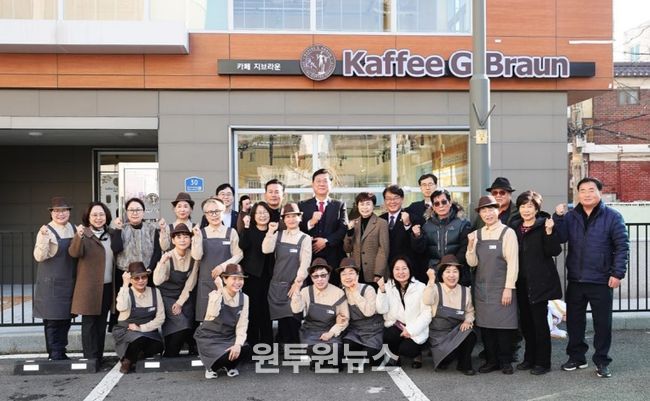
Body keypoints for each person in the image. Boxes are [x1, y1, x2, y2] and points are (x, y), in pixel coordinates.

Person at [554, 177, 629, 378]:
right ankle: (577, 357)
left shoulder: (612, 216)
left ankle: (602, 361)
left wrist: (617, 273)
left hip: (601, 279)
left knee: (602, 324)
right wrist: (558, 217)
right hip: (576, 279)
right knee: (574, 322)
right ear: (578, 194)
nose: (587, 194)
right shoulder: (571, 217)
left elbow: (622, 247)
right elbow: (560, 238)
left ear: (599, 192)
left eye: (591, 190)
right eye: (583, 190)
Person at [509, 190, 562, 375]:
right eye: (523, 206)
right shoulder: (515, 227)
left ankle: (543, 362)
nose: (526, 210)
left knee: (540, 324)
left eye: (530, 206)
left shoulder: (544, 225)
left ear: (537, 208)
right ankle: (529, 358)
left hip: (539, 282)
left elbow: (554, 251)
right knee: (526, 323)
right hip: (521, 282)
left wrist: (549, 232)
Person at [466, 195, 519, 374]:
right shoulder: (477, 234)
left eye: (491, 209)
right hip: (482, 287)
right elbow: (472, 263)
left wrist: (508, 288)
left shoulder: (507, 233)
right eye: (484, 210)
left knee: (504, 327)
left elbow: (513, 263)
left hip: (502, 287)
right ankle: (491, 361)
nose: (487, 214)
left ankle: (505, 361)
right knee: (486, 327)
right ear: (480, 214)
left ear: (498, 211)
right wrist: (470, 246)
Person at [69, 201, 124, 362]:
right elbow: (74, 252)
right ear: (88, 217)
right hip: (88, 287)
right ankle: (90, 359)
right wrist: (78, 237)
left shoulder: (111, 233)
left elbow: (119, 249)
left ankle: (98, 357)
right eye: (94, 215)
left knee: (101, 324)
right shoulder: (83, 233)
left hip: (107, 287)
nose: (98, 218)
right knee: (89, 324)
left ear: (106, 216)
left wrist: (119, 230)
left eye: (101, 214)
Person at [33, 197, 76, 360]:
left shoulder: (74, 228)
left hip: (68, 282)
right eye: (56, 211)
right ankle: (54, 353)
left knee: (65, 319)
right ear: (51, 213)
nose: (61, 214)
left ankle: (61, 351)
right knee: (52, 321)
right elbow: (39, 256)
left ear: (69, 212)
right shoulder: (46, 230)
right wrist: (44, 238)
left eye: (64, 210)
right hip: (50, 283)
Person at [262, 203, 311, 345]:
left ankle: (294, 348)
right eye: (287, 217)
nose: (291, 219)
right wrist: (270, 231)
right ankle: (283, 347)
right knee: (282, 319)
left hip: (294, 284)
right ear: (283, 219)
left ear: (300, 218)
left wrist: (298, 283)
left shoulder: (305, 238)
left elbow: (305, 263)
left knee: (294, 319)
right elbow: (266, 249)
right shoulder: (278, 235)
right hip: (277, 284)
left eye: (294, 216)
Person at [194, 264, 252, 379]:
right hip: (210, 338)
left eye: (240, 279)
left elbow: (242, 324)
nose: (238, 282)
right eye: (234, 278)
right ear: (225, 280)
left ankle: (229, 365)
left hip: (228, 337)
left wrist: (237, 344)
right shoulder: (215, 294)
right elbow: (212, 314)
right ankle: (212, 367)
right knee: (223, 356)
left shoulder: (244, 298)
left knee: (245, 350)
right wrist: (220, 290)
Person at [291, 258, 349, 370]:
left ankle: (335, 359)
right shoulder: (306, 291)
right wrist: (297, 290)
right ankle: (317, 359)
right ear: (311, 277)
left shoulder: (338, 293)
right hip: (311, 330)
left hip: (330, 329)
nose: (320, 279)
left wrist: (331, 333)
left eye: (323, 275)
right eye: (315, 276)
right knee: (313, 350)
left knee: (335, 350)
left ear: (329, 275)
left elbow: (344, 319)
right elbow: (296, 310)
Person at [422, 255, 476, 375]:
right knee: (446, 359)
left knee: (471, 334)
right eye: (447, 271)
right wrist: (431, 280)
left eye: (455, 271)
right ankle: (449, 355)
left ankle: (464, 364)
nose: (452, 275)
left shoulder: (466, 291)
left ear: (459, 274)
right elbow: (427, 300)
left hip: (457, 332)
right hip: (439, 336)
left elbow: (470, 311)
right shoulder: (435, 288)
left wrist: (468, 320)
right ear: (442, 274)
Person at [192, 197, 243, 323]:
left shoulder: (231, 232)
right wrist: (197, 238)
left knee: (229, 318)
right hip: (206, 283)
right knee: (208, 319)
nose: (214, 215)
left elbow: (239, 254)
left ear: (223, 211)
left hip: (228, 282)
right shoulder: (200, 233)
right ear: (205, 215)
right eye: (210, 212)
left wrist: (223, 267)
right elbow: (197, 256)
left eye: (217, 211)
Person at [376, 256, 431, 368]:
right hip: (397, 325)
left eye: (404, 268)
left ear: (410, 269)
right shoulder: (386, 287)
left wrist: (411, 330)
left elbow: (426, 314)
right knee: (388, 335)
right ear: (392, 271)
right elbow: (381, 310)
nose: (400, 272)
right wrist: (382, 291)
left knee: (407, 350)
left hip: (415, 327)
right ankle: (394, 356)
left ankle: (417, 354)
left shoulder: (420, 287)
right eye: (397, 269)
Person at [153, 223, 198, 357]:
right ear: (173, 240)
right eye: (178, 237)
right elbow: (157, 281)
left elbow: (190, 283)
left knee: (189, 320)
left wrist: (180, 302)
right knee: (181, 322)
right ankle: (170, 353)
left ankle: (182, 352)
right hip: (166, 296)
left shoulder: (194, 257)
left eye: (186, 237)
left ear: (190, 239)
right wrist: (161, 263)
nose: (182, 240)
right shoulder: (168, 256)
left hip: (183, 295)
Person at [113, 262, 164, 374]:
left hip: (148, 331)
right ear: (130, 280)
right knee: (139, 339)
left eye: (144, 277)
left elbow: (160, 318)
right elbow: (121, 307)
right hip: (127, 331)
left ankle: (137, 355)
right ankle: (127, 361)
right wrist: (125, 285)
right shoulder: (126, 292)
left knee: (158, 346)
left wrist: (141, 328)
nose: (141, 281)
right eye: (136, 278)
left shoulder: (155, 292)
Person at [299, 168, 348, 284]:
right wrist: (311, 223)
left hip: (333, 257)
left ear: (331, 184)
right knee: (311, 289)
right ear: (313, 184)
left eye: (325, 181)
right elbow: (298, 228)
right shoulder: (302, 205)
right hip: (310, 257)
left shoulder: (339, 205)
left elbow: (343, 228)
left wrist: (326, 241)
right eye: (318, 181)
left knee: (333, 288)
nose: (322, 184)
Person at [412, 189, 471, 285]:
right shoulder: (426, 225)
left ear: (450, 203)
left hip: (456, 274)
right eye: (437, 203)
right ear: (433, 207)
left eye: (444, 202)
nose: (441, 206)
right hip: (434, 274)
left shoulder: (463, 223)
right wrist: (417, 237)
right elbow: (421, 250)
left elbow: (465, 248)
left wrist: (450, 267)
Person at [239, 202, 275, 347]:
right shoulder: (249, 230)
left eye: (265, 212)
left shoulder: (274, 230)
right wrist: (246, 226)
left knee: (266, 310)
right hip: (252, 276)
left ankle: (267, 344)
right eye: (259, 213)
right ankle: (252, 343)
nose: (262, 215)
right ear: (253, 215)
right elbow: (242, 245)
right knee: (252, 310)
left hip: (269, 276)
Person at [338, 257, 383, 365]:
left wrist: (355, 292)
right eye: (343, 274)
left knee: (372, 358)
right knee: (346, 348)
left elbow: (369, 312)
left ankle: (380, 351)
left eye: (351, 273)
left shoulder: (368, 289)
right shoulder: (341, 293)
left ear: (357, 275)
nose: (347, 277)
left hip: (372, 330)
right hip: (355, 331)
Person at [343, 192, 389, 286]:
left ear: (373, 206)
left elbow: (383, 250)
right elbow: (347, 249)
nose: (365, 207)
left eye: (368, 204)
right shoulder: (353, 223)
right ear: (357, 206)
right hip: (357, 271)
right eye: (362, 204)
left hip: (374, 272)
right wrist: (350, 232)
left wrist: (378, 273)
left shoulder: (381, 223)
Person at [380, 185, 413, 266]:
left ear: (402, 199)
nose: (392, 201)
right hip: (384, 267)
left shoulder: (412, 218)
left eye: (396, 198)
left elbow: (417, 246)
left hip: (404, 267)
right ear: (384, 201)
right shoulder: (380, 219)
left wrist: (407, 225)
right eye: (388, 199)